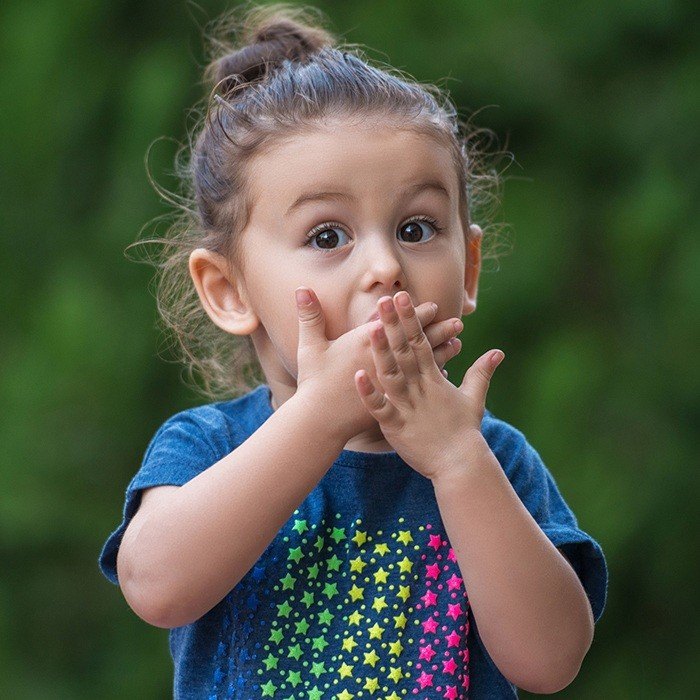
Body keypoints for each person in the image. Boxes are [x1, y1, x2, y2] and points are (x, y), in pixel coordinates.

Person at [98, 3, 608, 698]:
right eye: (327, 236)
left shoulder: (492, 459)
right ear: (228, 289)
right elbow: (156, 586)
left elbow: (549, 661)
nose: (385, 266)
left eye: (418, 227)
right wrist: (319, 416)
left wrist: (458, 461)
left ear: (470, 271)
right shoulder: (209, 446)